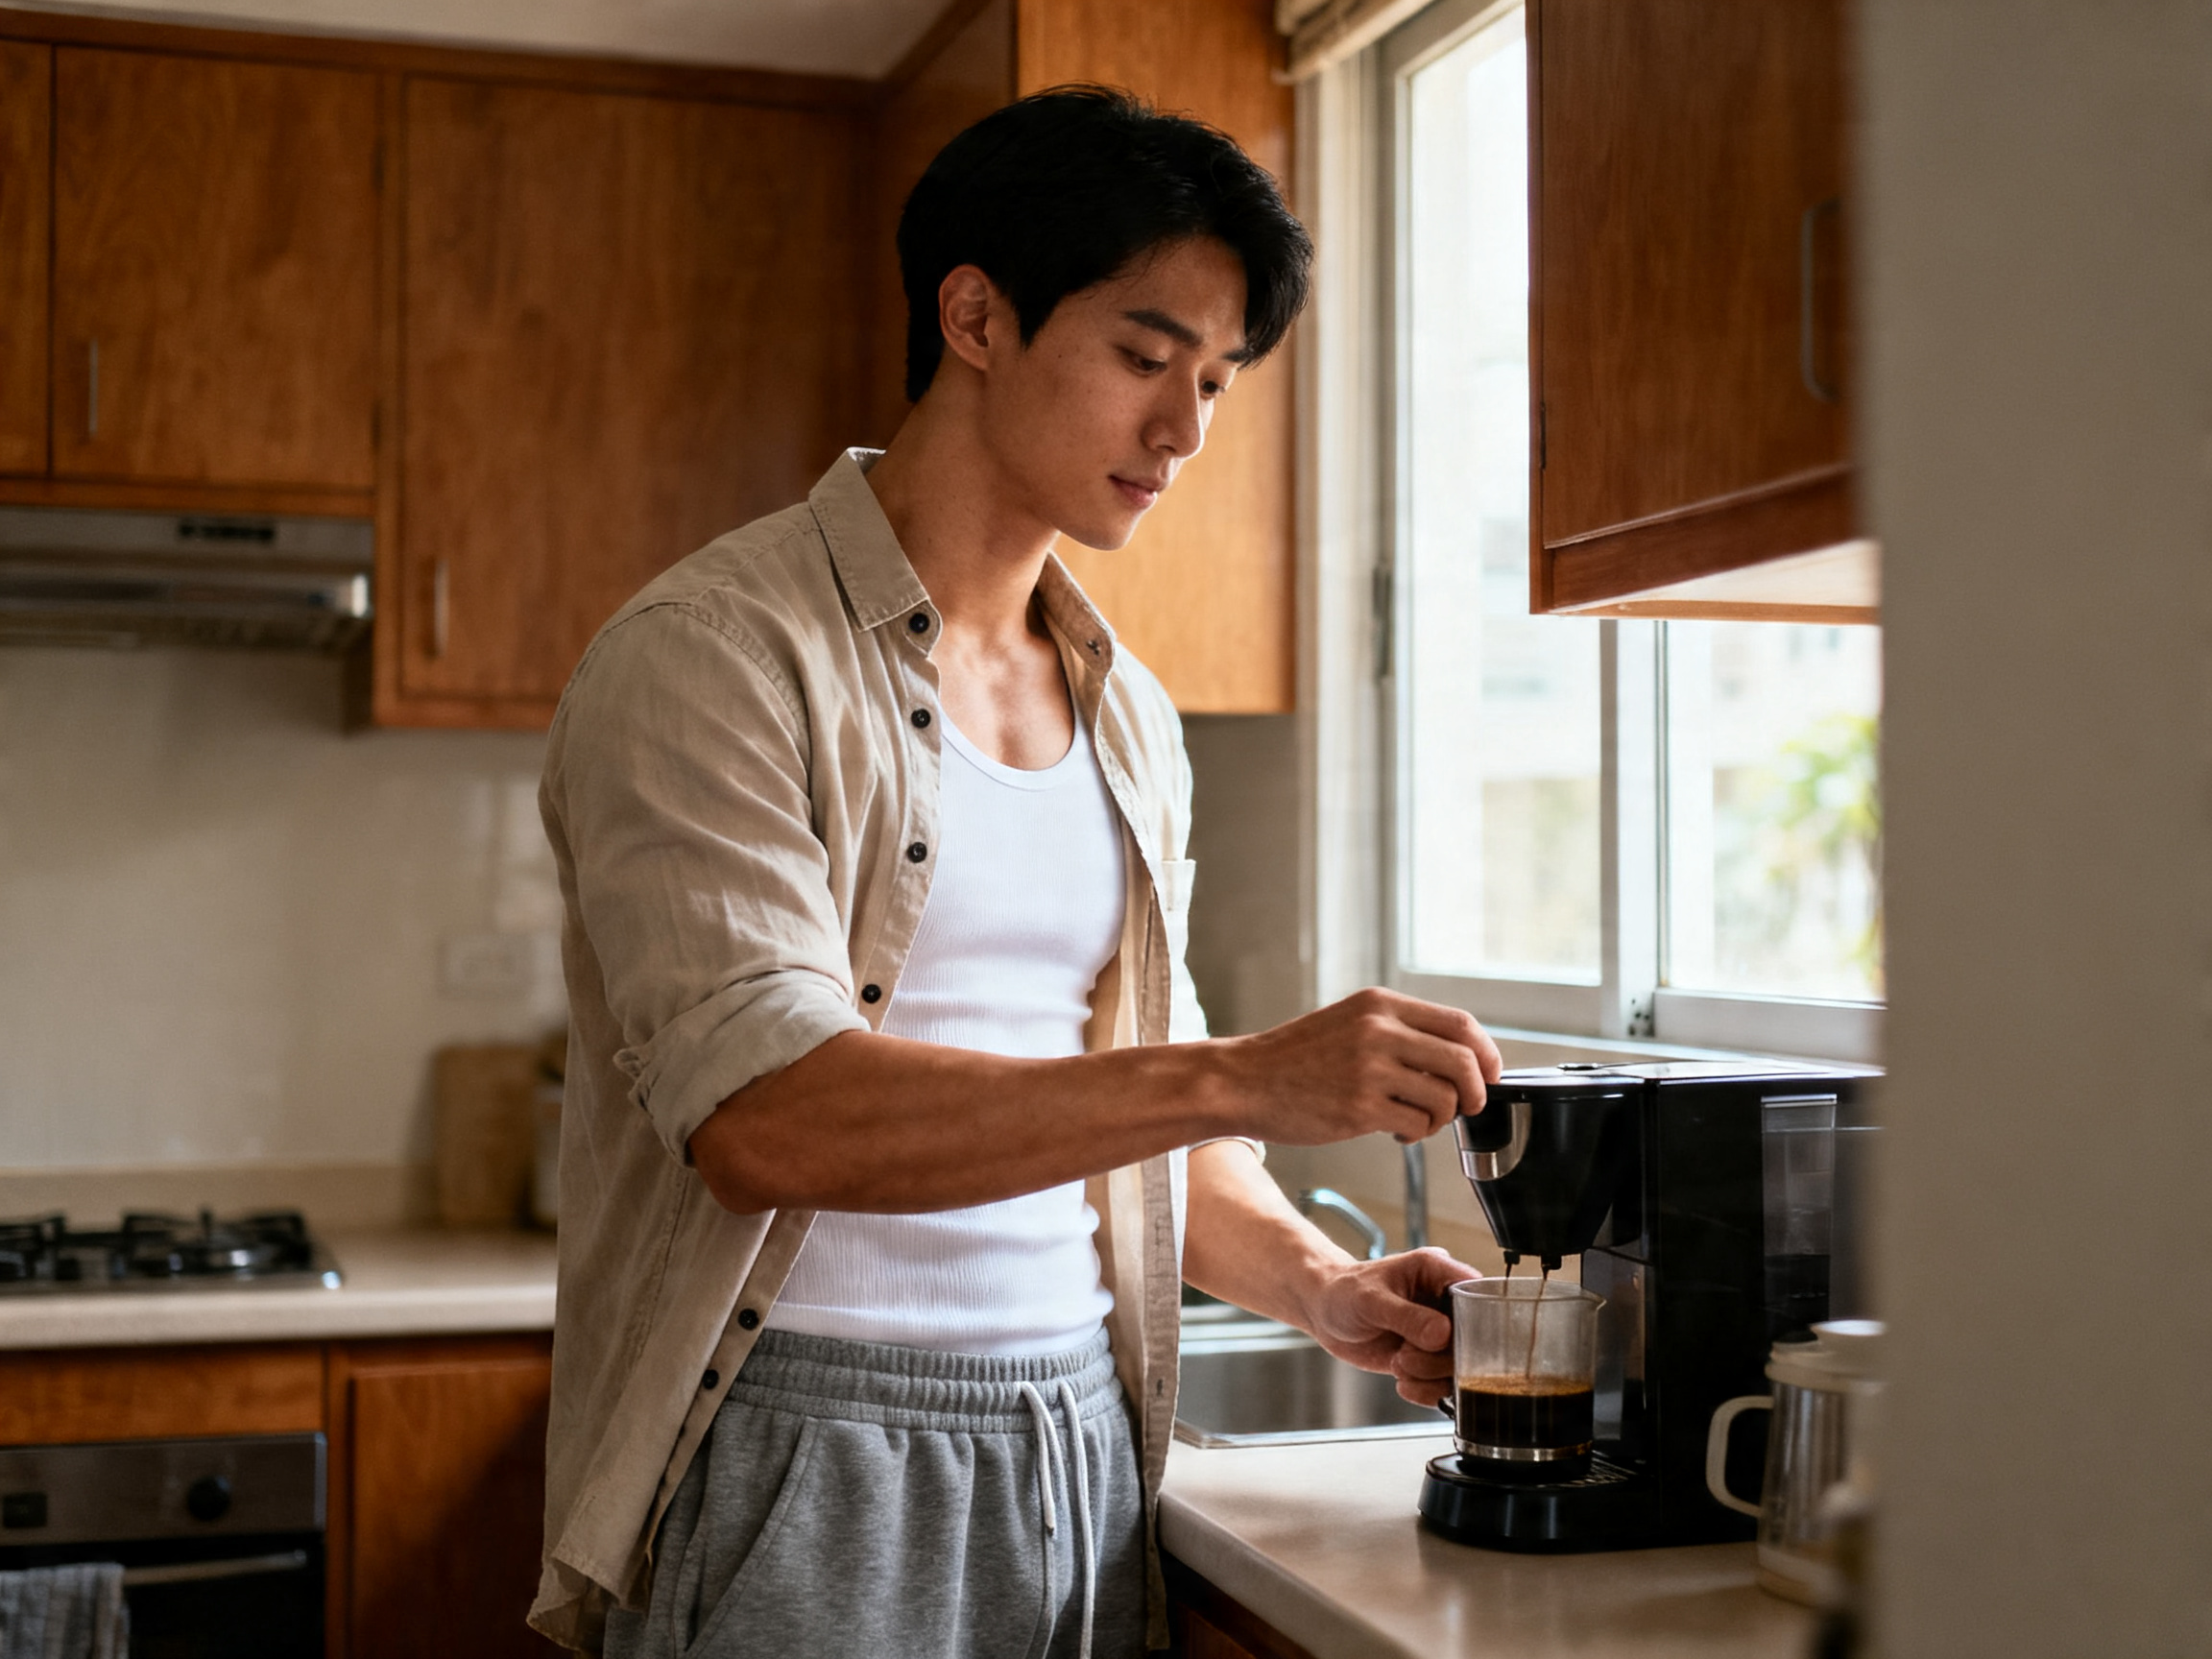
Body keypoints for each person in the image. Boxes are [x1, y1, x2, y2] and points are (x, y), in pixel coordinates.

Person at [529, 85, 1502, 1659]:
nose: (1184, 432)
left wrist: (1328, 1289)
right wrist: (1246, 1074)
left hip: (1079, 1435)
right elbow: (772, 1120)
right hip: (801, 1438)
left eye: (1216, 380)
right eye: (1142, 356)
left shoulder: (1129, 713)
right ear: (975, 315)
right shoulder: (713, 657)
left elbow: (1139, 1128)